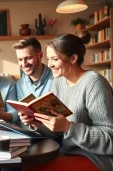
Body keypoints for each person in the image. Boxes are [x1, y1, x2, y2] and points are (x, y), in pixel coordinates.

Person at [19, 32, 113, 170]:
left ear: (73, 58)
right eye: (48, 59)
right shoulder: (58, 83)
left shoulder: (94, 83)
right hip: (67, 152)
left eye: (55, 59)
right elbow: (56, 131)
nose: (49, 65)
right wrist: (36, 121)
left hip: (95, 158)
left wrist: (69, 127)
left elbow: (110, 139)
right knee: (27, 165)